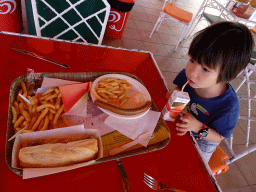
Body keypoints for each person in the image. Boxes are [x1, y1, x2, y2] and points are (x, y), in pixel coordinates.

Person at [170, 21, 254, 163]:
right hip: (182, 124)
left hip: (203, 141)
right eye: (192, 60)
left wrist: (197, 127)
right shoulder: (188, 76)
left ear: (227, 75)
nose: (192, 72)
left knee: (191, 164)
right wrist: (175, 98)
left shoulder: (229, 107)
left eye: (206, 69)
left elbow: (219, 136)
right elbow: (178, 87)